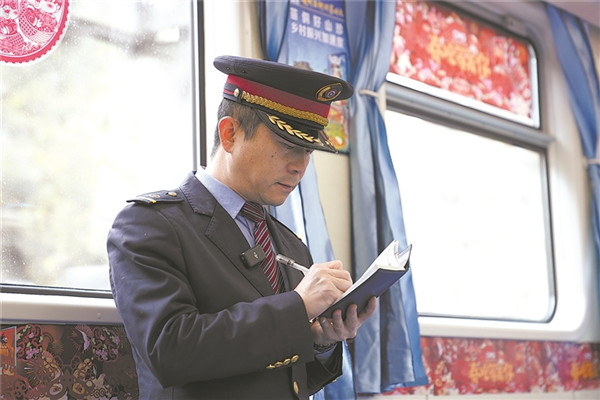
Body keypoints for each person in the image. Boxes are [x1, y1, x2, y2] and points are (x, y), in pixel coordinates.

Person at [107, 55, 377, 400]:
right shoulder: (150, 224)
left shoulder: (290, 244)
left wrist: (321, 340)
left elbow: (292, 381)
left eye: (308, 151)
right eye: (288, 145)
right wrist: (298, 307)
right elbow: (170, 349)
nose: (300, 167)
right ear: (230, 134)